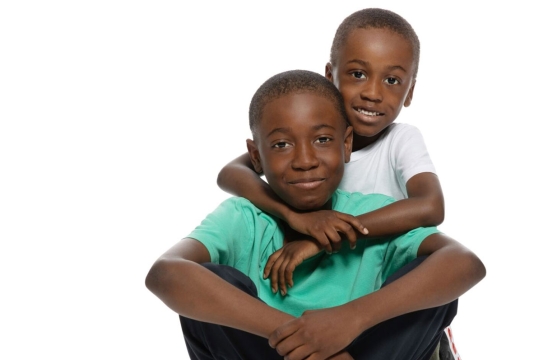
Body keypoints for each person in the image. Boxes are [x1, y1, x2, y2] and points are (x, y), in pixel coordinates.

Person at [146, 70, 485, 360]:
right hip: (271, 351)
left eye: (323, 139)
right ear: (256, 156)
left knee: (433, 280)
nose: (305, 160)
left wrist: (348, 320)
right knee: (208, 283)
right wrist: (306, 340)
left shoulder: (370, 211)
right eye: (281, 145)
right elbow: (164, 273)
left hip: (363, 350)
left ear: (346, 144)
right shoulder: (243, 216)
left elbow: (465, 262)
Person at [217, 8, 460, 359]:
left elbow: (430, 206)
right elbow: (232, 173)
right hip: (322, 292)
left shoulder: (401, 141)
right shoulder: (312, 133)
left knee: (427, 281)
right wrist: (297, 217)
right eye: (358, 74)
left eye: (391, 80)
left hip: (379, 294)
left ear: (410, 91)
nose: (373, 93)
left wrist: (323, 238)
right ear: (330, 75)